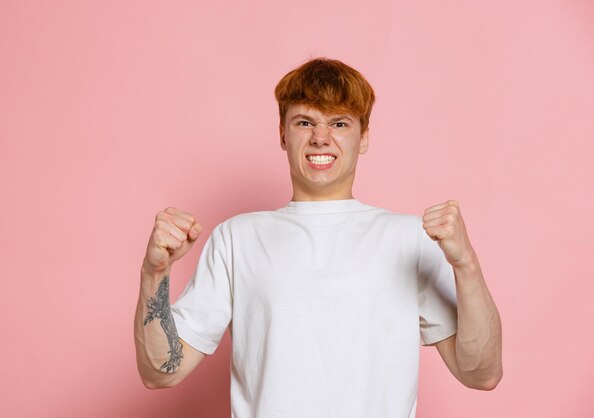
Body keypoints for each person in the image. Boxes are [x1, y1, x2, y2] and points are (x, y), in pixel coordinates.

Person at [134, 58, 503, 418]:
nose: (320, 138)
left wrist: (465, 264)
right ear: (283, 133)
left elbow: (481, 374)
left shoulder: (410, 238)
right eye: (305, 121)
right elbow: (162, 371)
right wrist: (155, 274)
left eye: (339, 123)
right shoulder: (236, 239)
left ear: (364, 138)